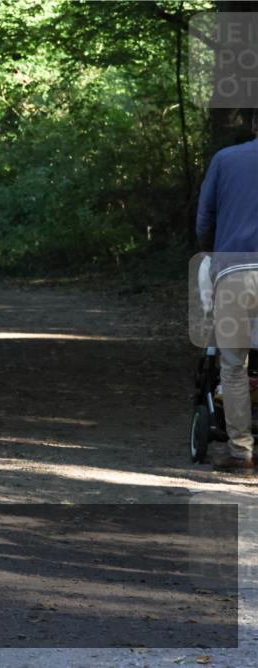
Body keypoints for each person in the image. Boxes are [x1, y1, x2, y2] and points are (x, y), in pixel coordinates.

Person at [196, 110, 258, 474]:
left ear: (253, 125)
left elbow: (205, 220)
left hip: (235, 272)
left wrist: (212, 254)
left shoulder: (225, 159)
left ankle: (242, 452)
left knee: (233, 366)